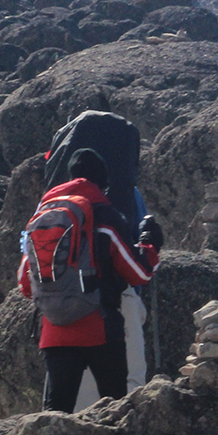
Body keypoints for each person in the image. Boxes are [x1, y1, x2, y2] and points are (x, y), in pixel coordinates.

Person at [18, 147, 161, 412]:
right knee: (115, 412)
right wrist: (149, 245)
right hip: (100, 329)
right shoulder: (106, 216)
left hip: (54, 333)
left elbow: (25, 284)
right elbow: (139, 273)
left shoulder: (43, 217)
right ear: (103, 181)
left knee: (56, 417)